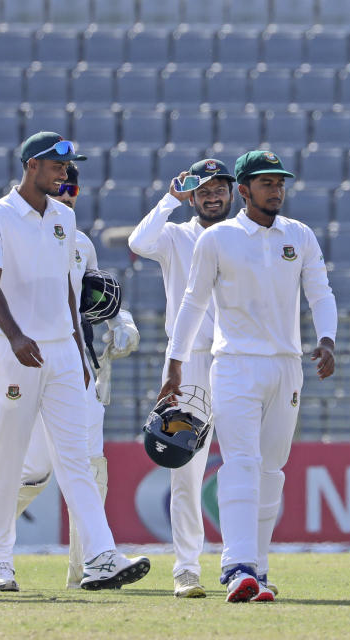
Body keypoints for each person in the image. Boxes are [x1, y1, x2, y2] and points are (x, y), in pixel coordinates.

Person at [159, 150, 337, 603]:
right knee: (240, 463)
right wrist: (176, 362)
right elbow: (192, 303)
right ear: (244, 191)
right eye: (266, 183)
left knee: (271, 470)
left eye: (280, 183)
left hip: (286, 366)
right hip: (235, 364)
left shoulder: (299, 235)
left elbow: (320, 291)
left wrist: (328, 339)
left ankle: (258, 565)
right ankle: (236, 566)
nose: (276, 190)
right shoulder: (216, 240)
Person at [0, 132, 149, 592]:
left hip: (63, 353)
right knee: (9, 455)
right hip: (16, 352)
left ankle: (101, 558)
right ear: (32, 165)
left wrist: (78, 349)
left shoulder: (63, 218)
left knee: (77, 459)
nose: (65, 174)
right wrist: (14, 336)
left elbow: (68, 294)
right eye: (57, 166)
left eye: (67, 168)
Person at [128, 158, 235, 598]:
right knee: (186, 469)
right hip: (188, 361)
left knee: (246, 464)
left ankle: (242, 562)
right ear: (192, 197)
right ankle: (187, 568)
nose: (212, 197)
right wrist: (170, 198)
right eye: (203, 190)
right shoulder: (175, 236)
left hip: (239, 359)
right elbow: (139, 241)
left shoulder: (243, 236)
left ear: (232, 193)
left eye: (219, 189)